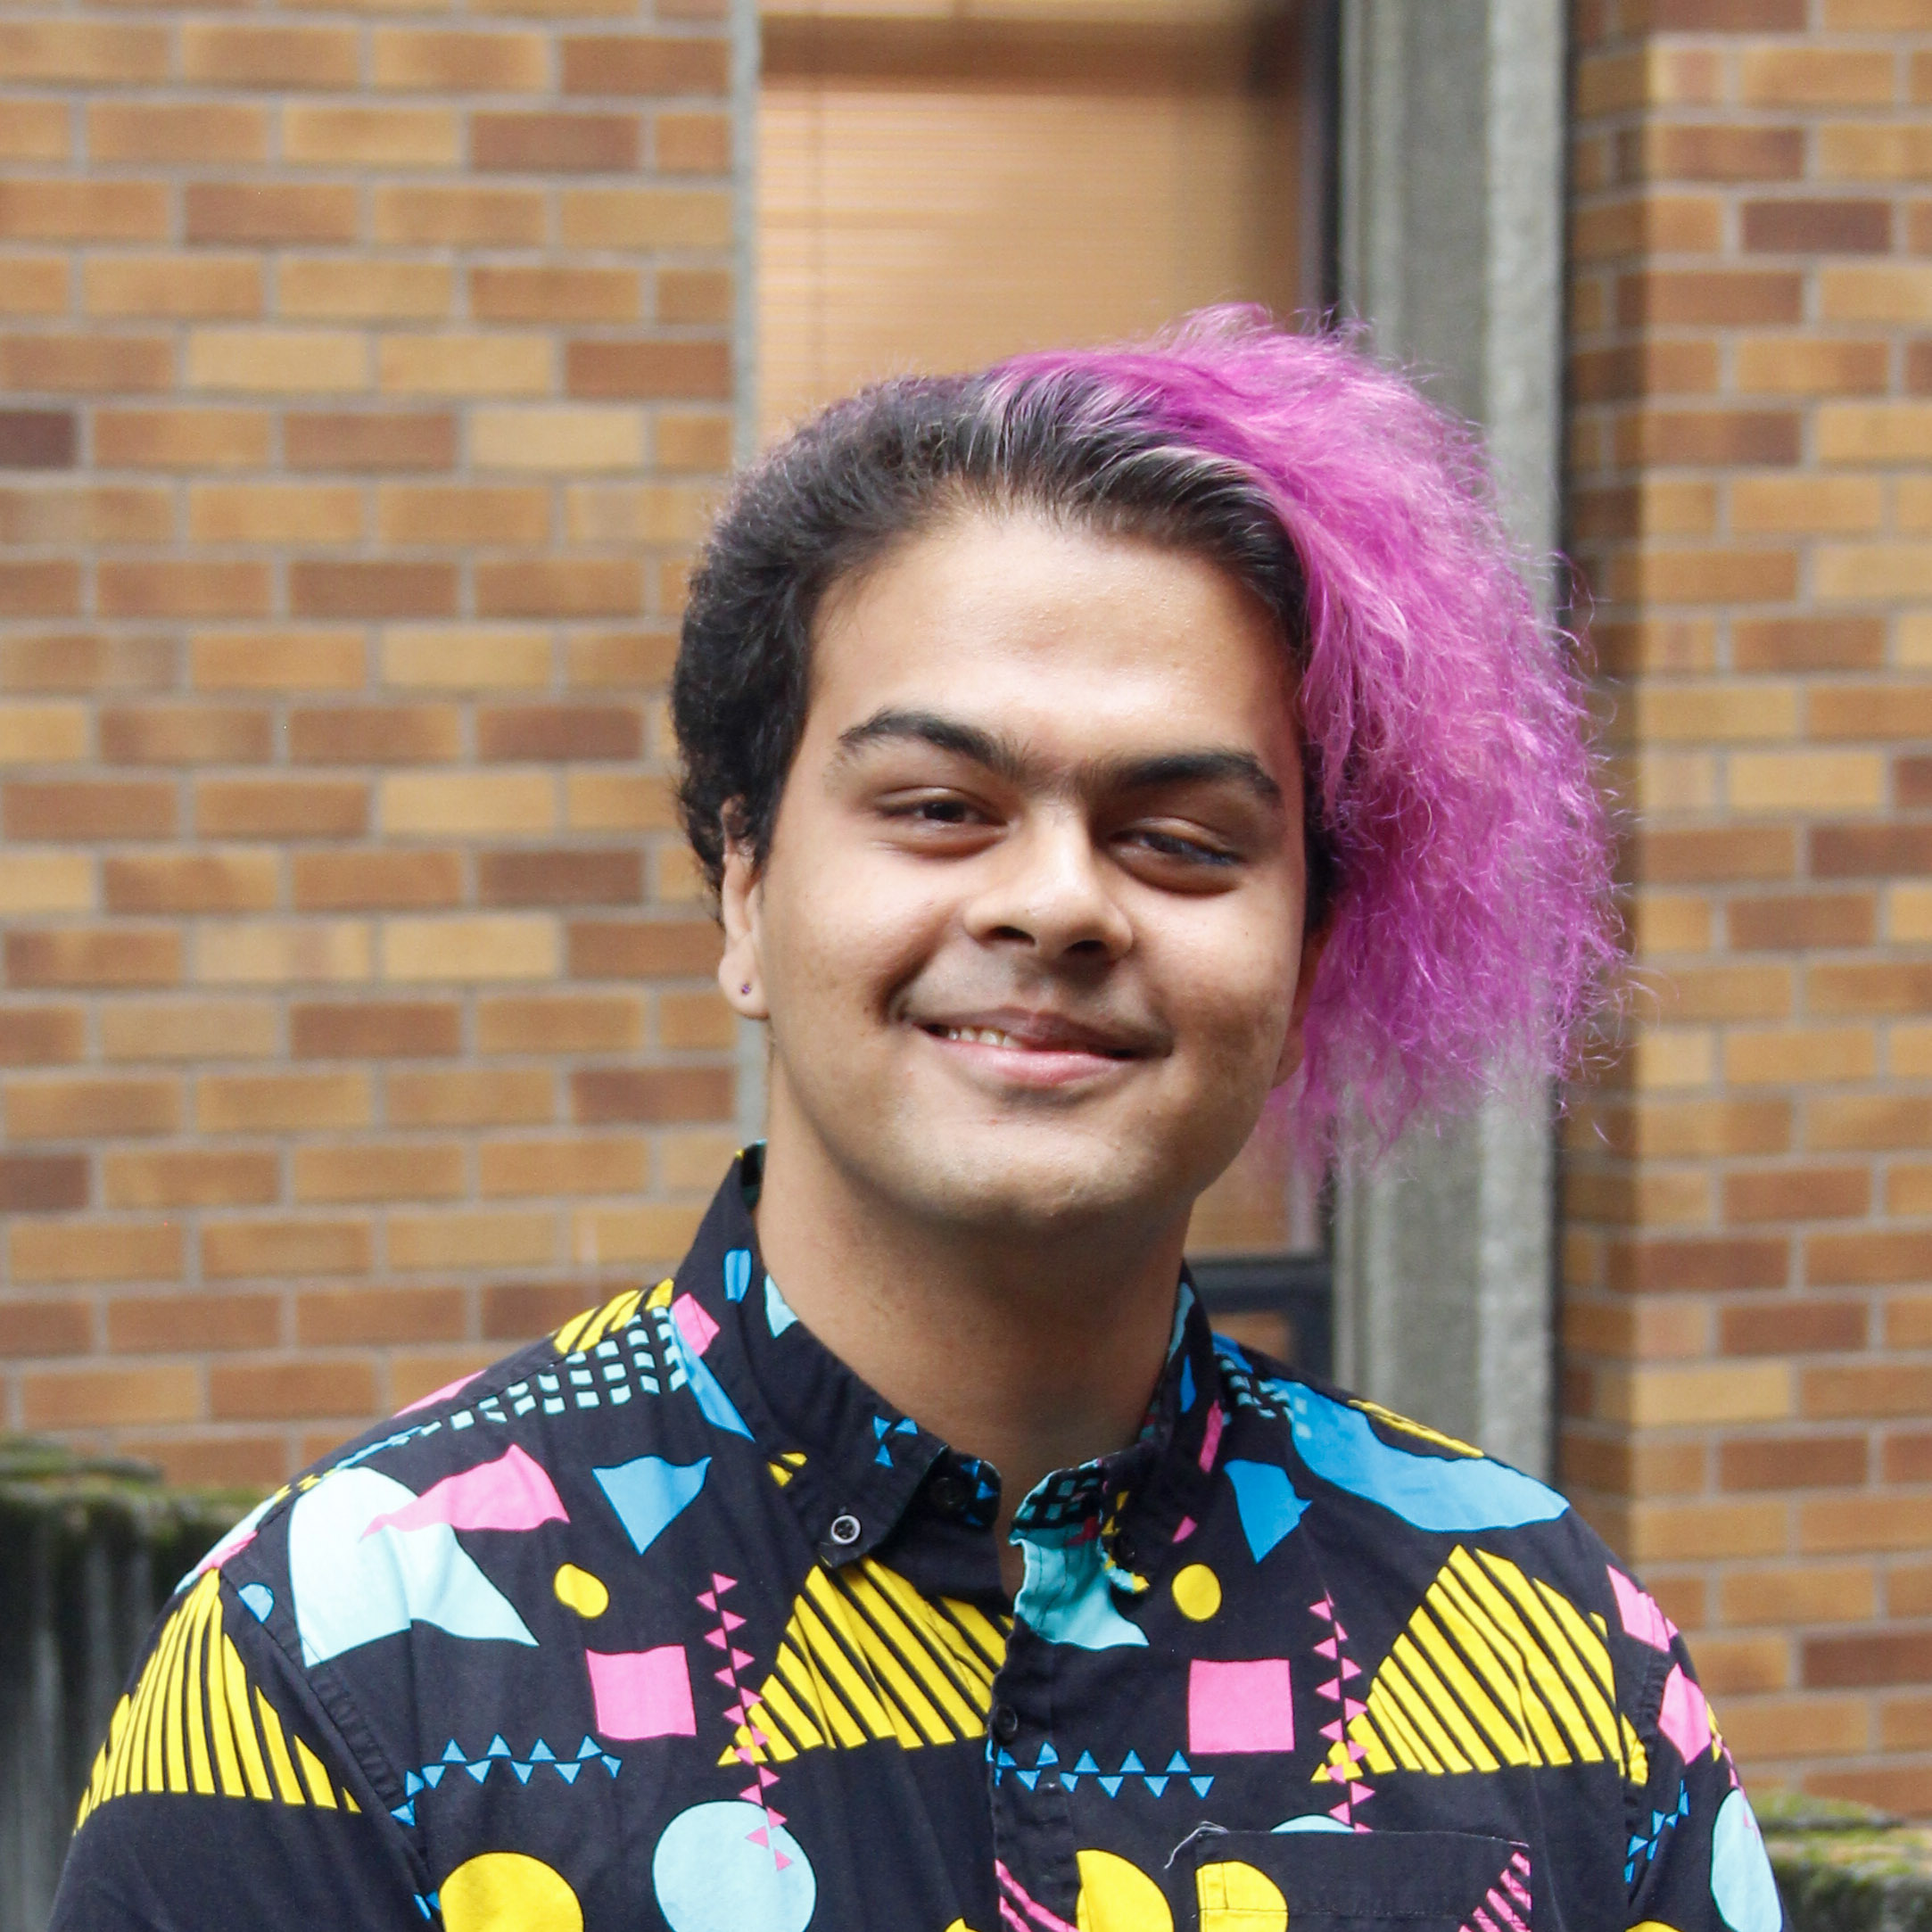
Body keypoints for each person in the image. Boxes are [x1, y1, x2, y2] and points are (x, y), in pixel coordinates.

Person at [51, 310, 1786, 1932]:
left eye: (1183, 836)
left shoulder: (1541, 1645)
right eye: (943, 805)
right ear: (745, 879)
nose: (1060, 902)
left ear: (1309, 947)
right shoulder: (353, 1652)